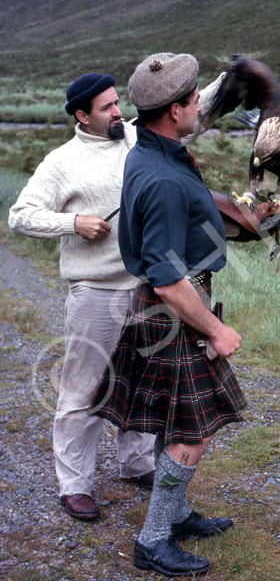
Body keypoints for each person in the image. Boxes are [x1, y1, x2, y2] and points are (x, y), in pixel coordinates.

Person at [91, 53, 247, 577]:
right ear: (175, 109)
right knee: (193, 432)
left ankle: (175, 514)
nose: (201, 103)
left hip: (169, 310)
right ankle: (153, 538)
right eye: (196, 98)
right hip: (173, 312)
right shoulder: (159, 177)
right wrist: (217, 329)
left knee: (175, 420)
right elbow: (165, 276)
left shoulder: (157, 148)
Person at [8, 73, 158, 520]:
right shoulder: (60, 163)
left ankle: (137, 463)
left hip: (146, 286)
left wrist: (233, 80)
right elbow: (20, 216)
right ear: (82, 115)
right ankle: (74, 485)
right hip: (95, 292)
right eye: (108, 107)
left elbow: (192, 110)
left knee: (144, 381)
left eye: (118, 103)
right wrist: (73, 224)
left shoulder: (136, 137)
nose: (118, 113)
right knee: (84, 389)